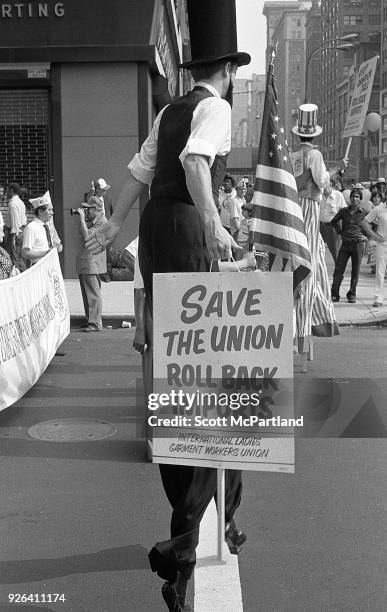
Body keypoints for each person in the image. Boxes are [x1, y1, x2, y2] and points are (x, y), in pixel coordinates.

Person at [85, 1, 250, 609]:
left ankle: (219, 513)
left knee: (182, 365)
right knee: (209, 375)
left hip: (157, 227)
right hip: (183, 227)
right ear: (228, 69)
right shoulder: (215, 106)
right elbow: (192, 163)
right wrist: (215, 227)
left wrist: (114, 228)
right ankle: (191, 537)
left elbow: (138, 173)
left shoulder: (170, 107)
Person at [291, 103, 339, 366]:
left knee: (305, 260)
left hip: (294, 207)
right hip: (310, 207)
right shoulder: (315, 155)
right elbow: (322, 182)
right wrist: (331, 184)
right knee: (309, 266)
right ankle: (306, 331)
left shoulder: (291, 152)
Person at [76, 196, 107, 332]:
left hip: (92, 263)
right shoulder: (92, 220)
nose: (86, 211)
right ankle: (91, 319)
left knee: (93, 293)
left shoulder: (102, 223)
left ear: (96, 209)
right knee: (87, 293)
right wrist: (85, 219)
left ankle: (95, 323)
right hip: (86, 262)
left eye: (88, 209)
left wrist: (82, 219)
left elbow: (88, 236)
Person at [330, 188, 367, 303]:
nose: (355, 199)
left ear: (360, 199)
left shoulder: (364, 212)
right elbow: (333, 221)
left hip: (358, 245)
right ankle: (334, 294)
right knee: (338, 270)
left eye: (357, 197)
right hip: (345, 245)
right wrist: (340, 232)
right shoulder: (343, 211)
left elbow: (373, 224)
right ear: (350, 198)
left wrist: (366, 236)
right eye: (353, 196)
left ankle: (352, 294)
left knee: (355, 271)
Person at [362, 195, 387, 307]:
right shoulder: (379, 209)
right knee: (380, 272)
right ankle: (378, 298)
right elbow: (365, 222)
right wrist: (374, 236)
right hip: (383, 244)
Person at [22, 191, 58, 265]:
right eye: (49, 210)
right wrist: (45, 253)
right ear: (40, 212)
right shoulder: (31, 228)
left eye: (52, 210)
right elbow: (25, 253)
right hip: (39, 266)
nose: (52, 213)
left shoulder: (45, 227)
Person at [320, 178, 346, 263]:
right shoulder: (318, 194)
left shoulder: (338, 195)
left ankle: (339, 272)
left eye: (325, 184)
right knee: (317, 249)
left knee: (336, 251)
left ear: (331, 184)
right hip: (320, 226)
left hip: (333, 227)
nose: (323, 186)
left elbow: (344, 212)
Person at [3, 182, 27, 271]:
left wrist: (14, 236)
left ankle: (22, 275)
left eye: (8, 190)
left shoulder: (12, 203)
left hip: (15, 232)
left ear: (12, 190)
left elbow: (15, 221)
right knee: (19, 256)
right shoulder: (20, 202)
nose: (7, 193)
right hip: (21, 230)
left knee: (15, 257)